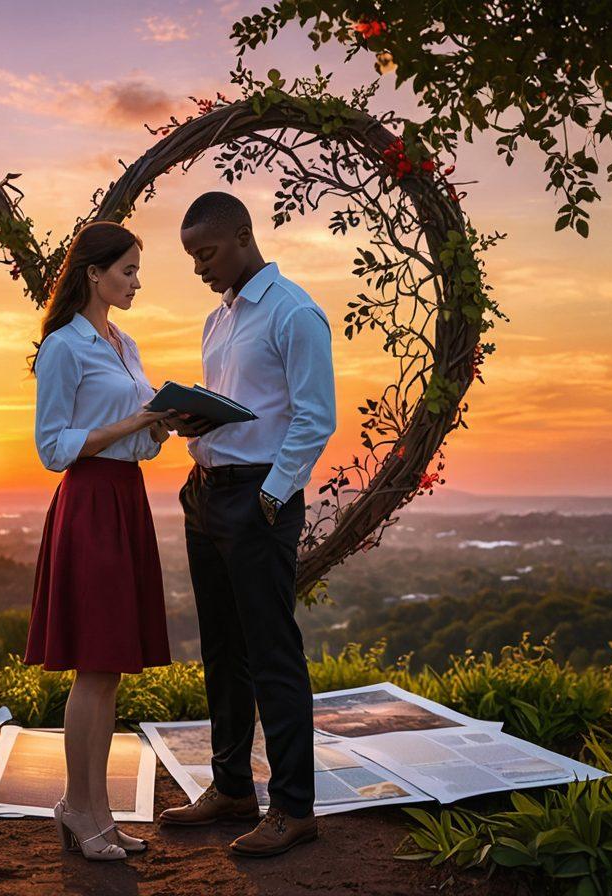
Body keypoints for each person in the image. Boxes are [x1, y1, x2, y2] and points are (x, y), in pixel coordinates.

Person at [158, 192, 336, 858]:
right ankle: (233, 786)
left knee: (272, 655)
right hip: (206, 495)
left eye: (206, 253)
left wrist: (270, 496)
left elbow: (316, 416)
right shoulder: (217, 321)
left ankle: (295, 807)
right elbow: (248, 411)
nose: (200, 267)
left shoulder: (295, 313)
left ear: (243, 235)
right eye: (192, 258)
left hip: (258, 501)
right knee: (222, 651)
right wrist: (193, 424)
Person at [24, 220, 174, 861]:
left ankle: (93, 810)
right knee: (94, 667)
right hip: (88, 503)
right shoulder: (64, 346)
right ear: (94, 273)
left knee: (109, 670)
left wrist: (160, 427)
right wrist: (135, 420)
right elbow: (53, 449)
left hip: (126, 499)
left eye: (139, 271)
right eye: (128, 271)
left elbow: (131, 436)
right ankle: (81, 809)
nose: (137, 282)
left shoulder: (125, 342)